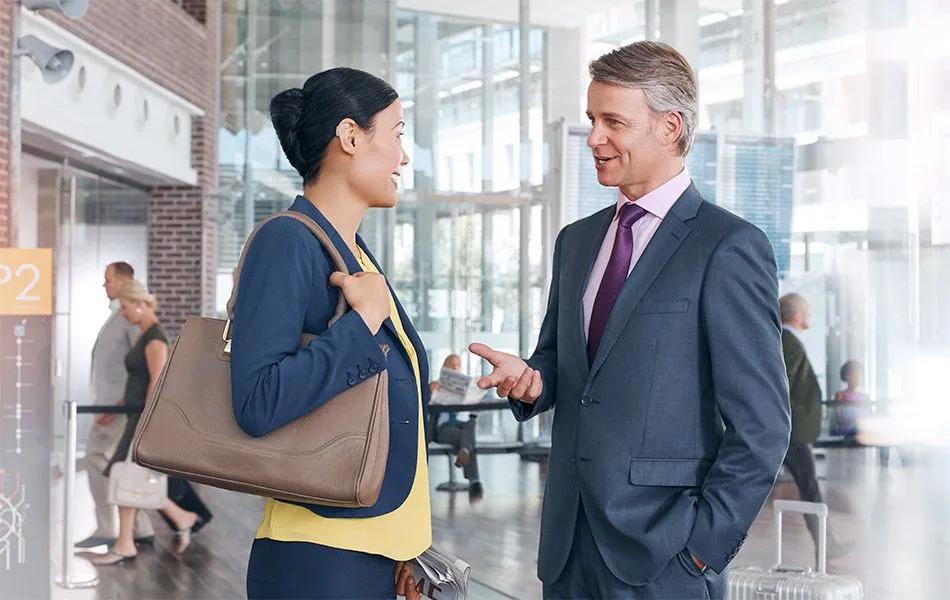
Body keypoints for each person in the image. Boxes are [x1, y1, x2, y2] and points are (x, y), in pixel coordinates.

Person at [470, 41, 790, 599]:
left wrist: (700, 550)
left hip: (666, 558)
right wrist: (532, 379)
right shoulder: (577, 242)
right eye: (593, 119)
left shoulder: (728, 247)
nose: (593, 138)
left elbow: (762, 425)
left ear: (670, 127)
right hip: (568, 550)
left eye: (613, 121)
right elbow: (563, 361)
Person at [230, 68, 426, 600]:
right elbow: (257, 400)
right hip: (317, 561)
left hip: (369, 554)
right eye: (398, 133)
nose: (404, 157)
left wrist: (405, 547)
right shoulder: (287, 242)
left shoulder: (353, 253)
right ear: (350, 136)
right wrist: (361, 325)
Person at [92, 280, 204, 565]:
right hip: (133, 414)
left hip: (141, 418)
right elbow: (139, 381)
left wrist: (146, 423)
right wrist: (120, 405)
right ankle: (178, 518)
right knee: (126, 475)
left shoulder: (154, 338)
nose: (124, 314)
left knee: (124, 474)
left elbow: (156, 382)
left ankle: (127, 543)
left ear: (141, 304)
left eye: (126, 308)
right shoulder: (143, 334)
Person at [76, 262, 155, 549]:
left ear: (123, 281)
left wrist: (120, 403)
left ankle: (110, 527)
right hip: (109, 405)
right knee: (118, 466)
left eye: (108, 280)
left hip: (118, 408)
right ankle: (140, 527)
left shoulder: (130, 320)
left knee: (100, 460)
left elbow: (142, 364)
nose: (104, 285)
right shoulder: (118, 317)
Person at [779, 293, 851, 559]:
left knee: (809, 485)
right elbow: (781, 385)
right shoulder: (790, 343)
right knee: (809, 486)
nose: (810, 316)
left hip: (790, 431)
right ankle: (827, 545)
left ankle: (826, 544)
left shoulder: (789, 341)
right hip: (792, 433)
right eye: (807, 310)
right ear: (797, 315)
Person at [429, 354, 483, 498]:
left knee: (469, 426)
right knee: (468, 439)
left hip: (463, 425)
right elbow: (423, 406)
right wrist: (431, 392)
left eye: (458, 364)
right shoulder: (434, 385)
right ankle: (474, 481)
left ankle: (465, 450)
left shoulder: (466, 385)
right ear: (444, 366)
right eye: (451, 364)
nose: (455, 367)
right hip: (444, 429)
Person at [832, 360, 867, 438]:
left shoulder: (865, 397)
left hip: (862, 436)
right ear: (846, 376)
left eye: (859, 375)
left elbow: (868, 419)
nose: (858, 377)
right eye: (855, 374)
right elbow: (839, 420)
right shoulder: (840, 396)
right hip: (845, 437)